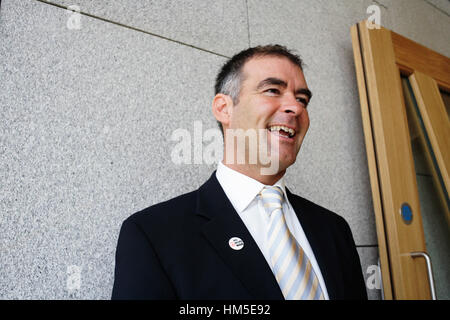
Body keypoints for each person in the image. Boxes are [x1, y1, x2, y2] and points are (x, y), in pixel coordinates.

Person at [111, 45, 367, 300]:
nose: (296, 108)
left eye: (302, 99)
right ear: (224, 108)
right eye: (272, 90)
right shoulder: (153, 235)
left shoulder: (334, 230)